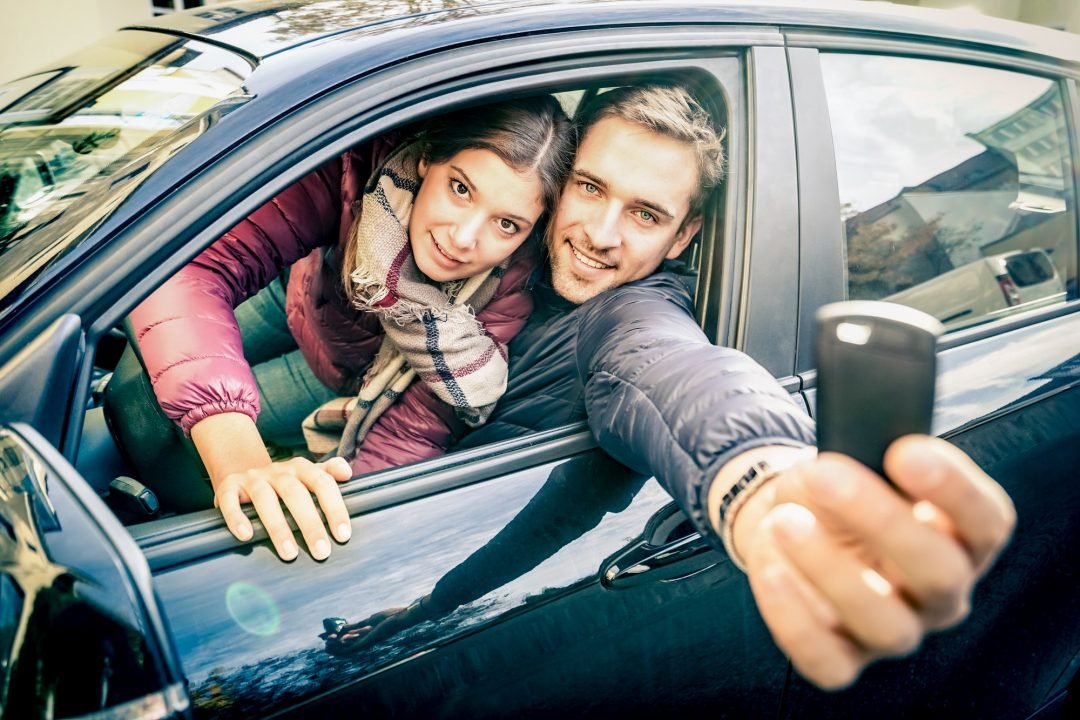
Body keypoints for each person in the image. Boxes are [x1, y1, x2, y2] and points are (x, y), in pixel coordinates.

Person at [449, 84, 1016, 690]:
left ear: (684, 235)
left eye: (646, 214)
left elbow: (668, 368)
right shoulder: (495, 251)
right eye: (591, 188)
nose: (602, 234)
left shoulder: (630, 313)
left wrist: (756, 474)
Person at [110, 97, 575, 562]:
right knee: (139, 383)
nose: (464, 237)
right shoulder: (362, 168)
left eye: (507, 224)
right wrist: (243, 462)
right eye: (460, 188)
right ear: (427, 158)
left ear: (533, 232)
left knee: (164, 437)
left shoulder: (505, 293)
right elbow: (191, 271)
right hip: (300, 295)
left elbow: (409, 434)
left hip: (337, 369)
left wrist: (346, 547)